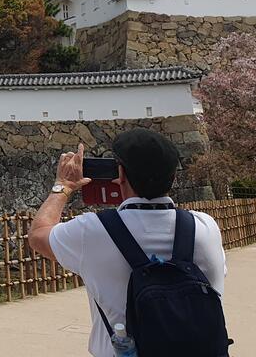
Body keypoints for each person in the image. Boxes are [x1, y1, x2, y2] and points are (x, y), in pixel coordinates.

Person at [27, 128, 227, 357]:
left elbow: (38, 235)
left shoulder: (92, 231)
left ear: (120, 173)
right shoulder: (205, 227)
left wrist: (62, 186)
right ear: (173, 177)